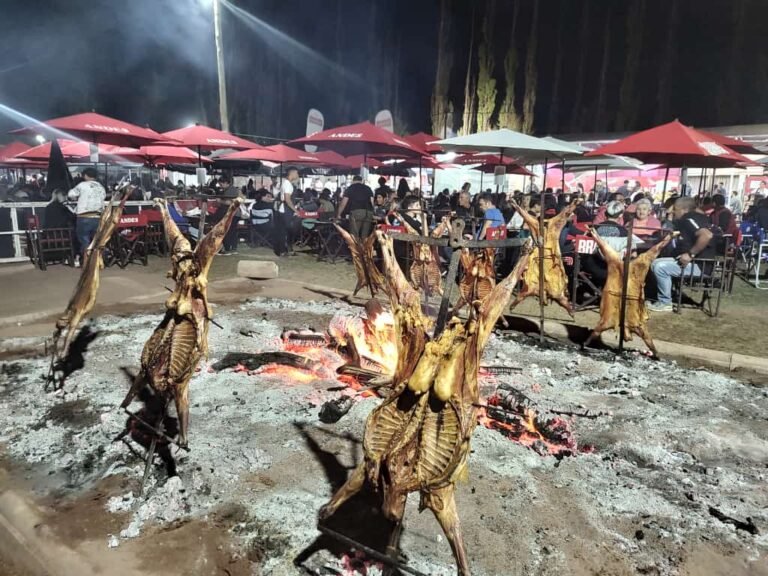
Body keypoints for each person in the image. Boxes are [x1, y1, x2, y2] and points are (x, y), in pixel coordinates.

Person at [648, 197, 714, 312]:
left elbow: (706, 235)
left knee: (660, 268)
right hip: (699, 264)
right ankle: (667, 294)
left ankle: (665, 302)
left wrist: (690, 254)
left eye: (675, 209)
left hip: (700, 266)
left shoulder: (689, 219)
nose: (673, 212)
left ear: (684, 209)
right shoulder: (699, 218)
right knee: (655, 262)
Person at [68, 167, 106, 261]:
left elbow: (71, 194)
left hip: (84, 216)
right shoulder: (101, 187)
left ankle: (87, 261)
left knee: (84, 240)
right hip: (98, 216)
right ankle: (99, 260)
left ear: (85, 175)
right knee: (97, 241)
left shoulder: (82, 185)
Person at [337, 175, 374, 239]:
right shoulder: (368, 188)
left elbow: (343, 203)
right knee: (365, 236)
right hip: (368, 212)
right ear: (361, 181)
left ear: (353, 181)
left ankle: (355, 248)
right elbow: (372, 202)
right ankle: (364, 248)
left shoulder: (350, 188)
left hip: (356, 212)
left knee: (354, 236)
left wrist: (339, 214)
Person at [272, 168, 299, 257]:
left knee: (284, 230)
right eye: (297, 173)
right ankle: (283, 250)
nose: (297, 175)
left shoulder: (285, 183)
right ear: (292, 173)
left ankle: (284, 249)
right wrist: (295, 210)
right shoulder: (287, 184)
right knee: (287, 230)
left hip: (283, 209)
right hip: (286, 210)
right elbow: (287, 199)